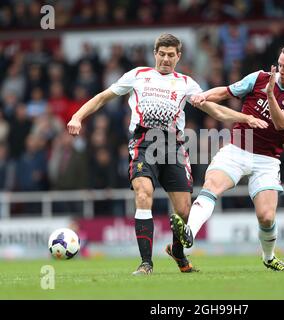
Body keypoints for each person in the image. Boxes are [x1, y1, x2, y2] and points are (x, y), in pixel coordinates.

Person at [67, 33, 267, 276]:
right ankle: (146, 263)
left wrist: (244, 117)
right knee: (143, 193)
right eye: (161, 54)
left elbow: (213, 109)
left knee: (183, 211)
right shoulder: (138, 75)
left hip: (173, 146)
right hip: (143, 143)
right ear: (155, 54)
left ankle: (178, 252)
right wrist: (78, 116)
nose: (165, 59)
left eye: (171, 55)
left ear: (178, 56)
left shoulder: (186, 83)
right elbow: (103, 97)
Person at [171, 44, 284, 271]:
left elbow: (281, 123)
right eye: (279, 64)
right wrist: (203, 96)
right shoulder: (259, 77)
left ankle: (269, 257)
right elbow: (226, 91)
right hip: (238, 147)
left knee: (266, 217)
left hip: (267, 159)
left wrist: (270, 96)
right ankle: (189, 233)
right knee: (212, 185)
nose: (280, 70)